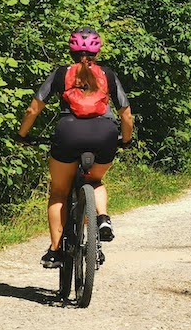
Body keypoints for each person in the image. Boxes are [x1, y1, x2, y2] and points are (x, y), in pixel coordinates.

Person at [14, 27, 133, 268]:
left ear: (71, 51)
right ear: (97, 53)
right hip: (105, 133)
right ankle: (102, 218)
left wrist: (21, 135)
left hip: (68, 133)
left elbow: (33, 110)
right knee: (95, 181)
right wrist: (126, 140)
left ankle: (56, 251)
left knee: (59, 191)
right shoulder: (107, 75)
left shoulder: (60, 74)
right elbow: (126, 114)